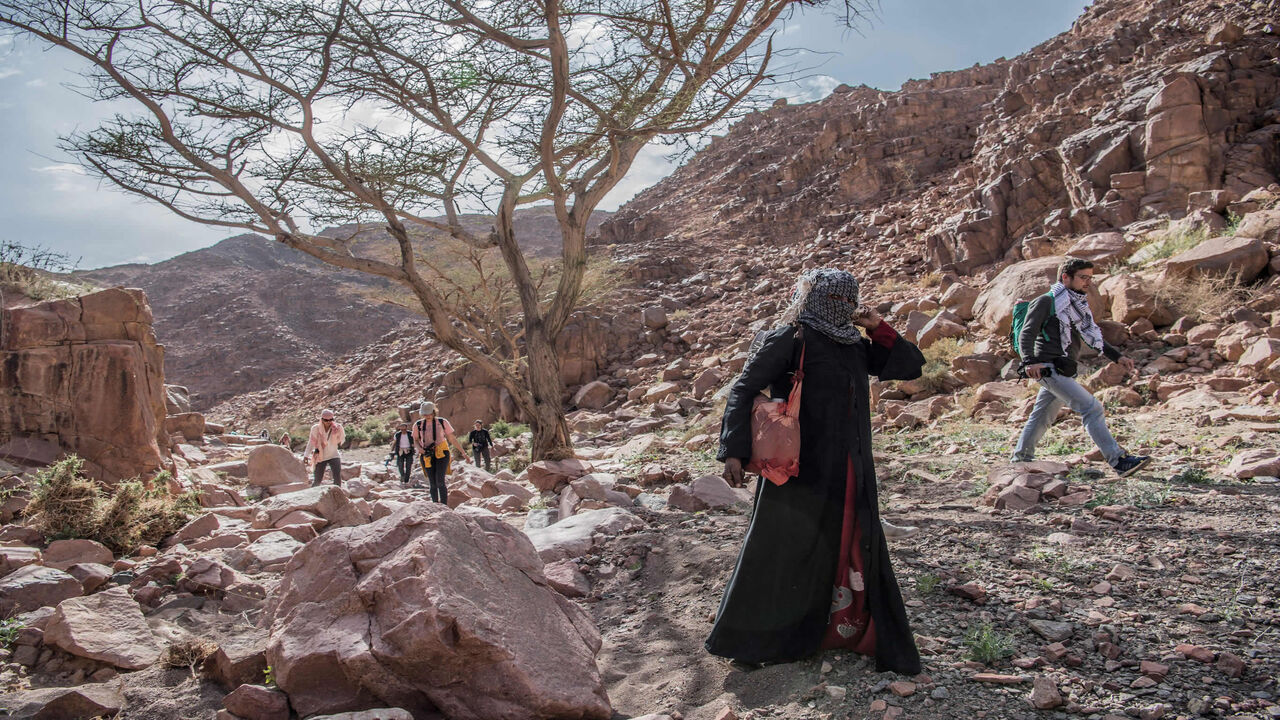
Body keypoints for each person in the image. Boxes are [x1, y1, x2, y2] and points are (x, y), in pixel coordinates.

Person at [707, 268, 924, 675]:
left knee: (852, 542)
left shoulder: (854, 343)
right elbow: (743, 388)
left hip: (851, 466)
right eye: (836, 300)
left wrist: (878, 326)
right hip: (797, 468)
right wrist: (733, 451)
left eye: (850, 301)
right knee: (782, 546)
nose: (843, 308)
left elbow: (911, 367)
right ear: (814, 299)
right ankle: (754, 642)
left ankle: (838, 630)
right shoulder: (790, 337)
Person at [1012, 258, 1150, 476]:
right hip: (1047, 367)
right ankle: (1119, 461)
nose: (1088, 282)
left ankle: (1020, 461)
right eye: (1083, 277)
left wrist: (1117, 356)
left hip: (1062, 368)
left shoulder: (1074, 305)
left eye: (1090, 278)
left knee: (1041, 416)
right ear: (1065, 277)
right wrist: (1029, 361)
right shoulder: (1046, 302)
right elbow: (1026, 333)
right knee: (1091, 408)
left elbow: (1091, 335)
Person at [413, 401, 468, 504]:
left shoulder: (442, 422)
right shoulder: (418, 425)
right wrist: (419, 448)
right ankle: (435, 504)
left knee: (440, 481)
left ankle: (444, 505)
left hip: (442, 452)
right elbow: (415, 440)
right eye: (425, 414)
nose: (427, 416)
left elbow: (452, 439)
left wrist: (463, 453)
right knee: (432, 483)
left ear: (434, 412)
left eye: (429, 413)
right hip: (426, 454)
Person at [304, 409, 345, 487]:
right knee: (317, 480)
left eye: (331, 419)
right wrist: (306, 455)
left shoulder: (337, 428)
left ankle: (337, 497)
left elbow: (341, 439)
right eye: (326, 420)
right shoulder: (315, 428)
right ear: (322, 419)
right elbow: (311, 443)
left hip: (334, 455)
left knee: (337, 478)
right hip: (320, 457)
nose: (329, 422)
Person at [389, 421, 416, 486]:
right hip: (400, 451)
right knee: (400, 464)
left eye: (404, 429)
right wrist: (392, 450)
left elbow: (415, 441)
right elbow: (394, 443)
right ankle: (402, 476)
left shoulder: (411, 434)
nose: (403, 430)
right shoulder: (397, 435)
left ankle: (407, 479)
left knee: (408, 465)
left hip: (409, 451)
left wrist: (415, 449)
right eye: (401, 429)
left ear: (406, 428)